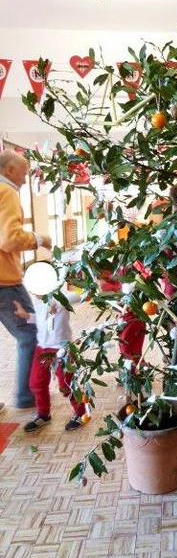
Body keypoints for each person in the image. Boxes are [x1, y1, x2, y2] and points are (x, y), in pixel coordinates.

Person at [0, 150, 52, 408]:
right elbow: (9, 239)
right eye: (23, 170)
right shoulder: (6, 191)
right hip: (4, 282)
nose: (25, 176)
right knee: (31, 334)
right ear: (9, 170)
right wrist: (39, 239)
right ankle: (25, 395)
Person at [14, 285, 86, 432]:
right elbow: (41, 318)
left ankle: (81, 413)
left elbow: (81, 295)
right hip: (42, 348)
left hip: (63, 348)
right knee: (36, 383)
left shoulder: (60, 297)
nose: (34, 292)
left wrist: (58, 301)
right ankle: (43, 414)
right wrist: (27, 316)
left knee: (66, 384)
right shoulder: (36, 301)